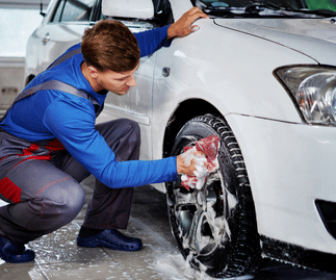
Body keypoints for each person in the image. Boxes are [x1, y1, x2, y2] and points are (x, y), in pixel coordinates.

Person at [0, 7, 208, 263]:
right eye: (123, 77)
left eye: (132, 72)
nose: (131, 82)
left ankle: (99, 228)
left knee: (125, 131)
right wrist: (178, 165)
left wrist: (171, 30)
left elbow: (136, 44)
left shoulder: (89, 53)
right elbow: (111, 173)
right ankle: (5, 230)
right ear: (93, 72)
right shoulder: (66, 106)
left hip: (52, 149)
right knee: (66, 198)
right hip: (13, 159)